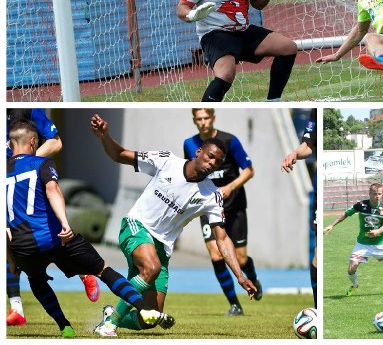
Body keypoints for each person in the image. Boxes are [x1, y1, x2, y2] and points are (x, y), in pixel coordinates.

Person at [90, 114, 257, 336]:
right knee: (151, 267)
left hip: (162, 248)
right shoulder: (166, 160)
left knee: (149, 318)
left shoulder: (212, 195)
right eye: (209, 157)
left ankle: (113, 315)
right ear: (199, 152)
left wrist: (240, 276)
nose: (212, 164)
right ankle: (108, 326)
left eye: (217, 162)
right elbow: (120, 154)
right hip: (135, 226)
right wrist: (104, 136)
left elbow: (222, 238)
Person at [6, 119, 174, 338]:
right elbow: (53, 190)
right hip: (56, 237)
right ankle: (143, 309)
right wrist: (65, 223)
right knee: (103, 270)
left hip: (22, 245)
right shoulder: (41, 164)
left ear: (10, 145)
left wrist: (11, 257)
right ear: (32, 142)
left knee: (36, 281)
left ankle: (64, 326)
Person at [6, 109, 99, 328]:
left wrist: (25, 164)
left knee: (52, 234)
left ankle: (83, 271)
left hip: (29, 183)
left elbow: (56, 143)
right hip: (8, 190)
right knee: (12, 250)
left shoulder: (27, 108)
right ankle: (16, 309)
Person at [183, 108, 262, 317]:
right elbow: (190, 173)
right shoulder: (189, 144)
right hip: (208, 208)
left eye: (206, 118)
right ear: (194, 121)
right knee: (216, 255)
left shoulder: (230, 141)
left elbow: (249, 170)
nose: (203, 122)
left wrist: (230, 187)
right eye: (198, 119)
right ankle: (234, 304)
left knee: (241, 259)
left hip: (234, 205)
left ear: (213, 118)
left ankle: (252, 278)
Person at [323, 183, 383, 296]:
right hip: (362, 244)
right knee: (351, 268)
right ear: (369, 194)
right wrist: (331, 225)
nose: (377, 196)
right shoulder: (361, 205)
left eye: (379, 194)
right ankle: (355, 284)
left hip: (380, 244)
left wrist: (377, 232)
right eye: (374, 194)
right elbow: (345, 214)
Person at [281, 108, 318, 307]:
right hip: (320, 185)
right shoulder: (315, 113)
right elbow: (309, 145)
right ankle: (317, 309)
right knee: (317, 256)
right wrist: (295, 153)